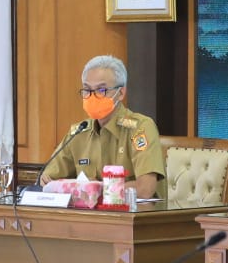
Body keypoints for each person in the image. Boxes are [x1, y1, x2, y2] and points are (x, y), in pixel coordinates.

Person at [39, 55, 165, 199]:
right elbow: (48, 178)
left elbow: (145, 189)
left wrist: (98, 189)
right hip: (89, 218)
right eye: (87, 90)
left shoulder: (140, 128)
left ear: (121, 93)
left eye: (101, 90)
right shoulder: (79, 132)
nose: (92, 96)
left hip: (134, 217)